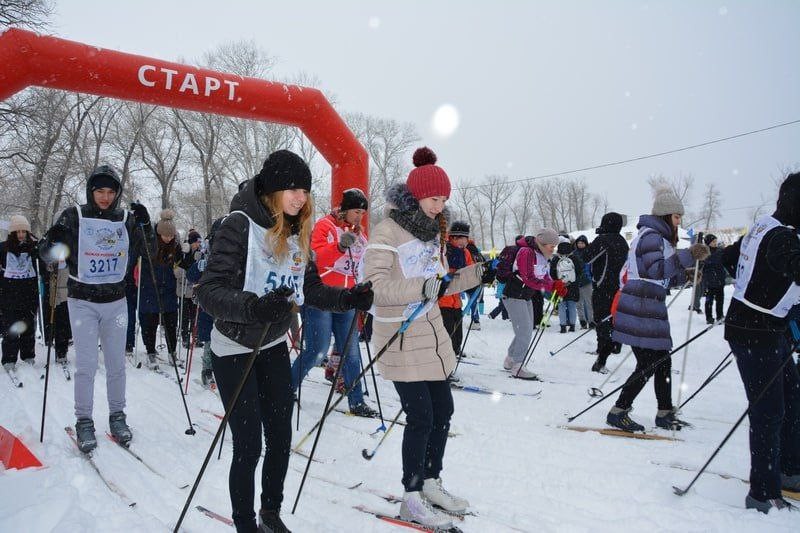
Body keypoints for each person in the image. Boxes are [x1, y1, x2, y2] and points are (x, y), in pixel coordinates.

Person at [196, 149, 373, 533]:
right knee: (248, 444)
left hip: (272, 346)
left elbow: (307, 289)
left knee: (280, 437)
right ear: (272, 189)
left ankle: (270, 514)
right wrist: (255, 307)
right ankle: (244, 523)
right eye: (291, 189)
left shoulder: (296, 231)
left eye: (305, 190)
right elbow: (208, 291)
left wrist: (347, 298)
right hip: (234, 347)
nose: (300, 197)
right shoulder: (238, 225)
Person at [362, 147, 483, 529]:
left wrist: (480, 273)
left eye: (444, 198)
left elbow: (440, 282)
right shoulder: (387, 231)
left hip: (431, 334)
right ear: (415, 196)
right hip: (399, 333)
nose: (440, 205)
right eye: (434, 198)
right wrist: (423, 286)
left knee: (443, 411)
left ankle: (431, 481)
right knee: (421, 416)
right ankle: (411, 496)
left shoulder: (433, 233)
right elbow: (375, 286)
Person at [39, 165, 151, 452]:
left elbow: (146, 250)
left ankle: (117, 416)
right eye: (99, 191)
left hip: (116, 301)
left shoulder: (124, 218)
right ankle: (84, 420)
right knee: (86, 365)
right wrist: (53, 241)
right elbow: (47, 253)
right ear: (91, 191)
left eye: (111, 192)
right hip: (83, 302)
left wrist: (145, 225)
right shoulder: (75, 215)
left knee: (116, 365)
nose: (105, 197)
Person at [722, 172, 800, 514]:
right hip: (754, 332)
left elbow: (728, 258)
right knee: (769, 410)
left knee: (792, 401)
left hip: (769, 329)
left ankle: (789, 470)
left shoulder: (765, 226)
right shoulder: (782, 237)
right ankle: (762, 492)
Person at [606, 188, 709, 432]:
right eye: (675, 217)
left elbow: (659, 275)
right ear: (664, 216)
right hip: (641, 304)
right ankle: (618, 410)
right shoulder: (652, 235)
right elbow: (655, 271)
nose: (678, 221)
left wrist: (685, 275)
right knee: (650, 361)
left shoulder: (656, 237)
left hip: (648, 302)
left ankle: (664, 411)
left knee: (661, 359)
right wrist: (687, 256)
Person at [290, 187, 377, 417]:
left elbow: (362, 264)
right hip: (322, 296)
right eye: (356, 212)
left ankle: (356, 401)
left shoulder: (360, 234)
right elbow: (317, 260)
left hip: (347, 298)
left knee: (351, 351)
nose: (359, 217)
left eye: (362, 213)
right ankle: (286, 389)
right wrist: (339, 246)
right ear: (345, 209)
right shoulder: (325, 226)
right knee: (317, 352)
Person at [499, 231, 567, 379]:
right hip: (513, 295)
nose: (553, 249)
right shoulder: (526, 252)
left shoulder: (542, 255)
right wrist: (551, 286)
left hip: (525, 296)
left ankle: (510, 359)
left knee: (526, 329)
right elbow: (528, 278)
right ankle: (518, 365)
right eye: (551, 246)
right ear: (542, 243)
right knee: (524, 331)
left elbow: (545, 276)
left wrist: (556, 285)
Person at [138, 210, 193, 370]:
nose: (168, 238)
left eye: (171, 236)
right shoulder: (150, 245)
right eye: (165, 235)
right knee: (150, 323)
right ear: (159, 233)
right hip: (150, 288)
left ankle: (172, 353)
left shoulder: (175, 246)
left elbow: (184, 265)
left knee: (170, 323)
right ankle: (150, 353)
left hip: (168, 289)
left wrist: (187, 253)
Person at [587, 212, 629, 373]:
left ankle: (601, 356)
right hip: (619, 288)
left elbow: (587, 258)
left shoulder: (603, 240)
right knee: (614, 319)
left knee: (602, 320)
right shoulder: (622, 241)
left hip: (602, 287)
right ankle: (615, 346)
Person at [1, 215, 41, 370]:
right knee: (11, 328)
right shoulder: (3, 248)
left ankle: (28, 356)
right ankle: (9, 359)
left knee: (28, 327)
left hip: (29, 294)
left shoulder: (34, 247)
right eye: (17, 231)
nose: (20, 234)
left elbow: (44, 262)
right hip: (9, 295)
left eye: (23, 231)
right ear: (12, 232)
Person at [438, 220, 474, 358]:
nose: (465, 243)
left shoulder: (465, 253)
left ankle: (456, 348)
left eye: (466, 239)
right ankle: (446, 354)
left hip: (456, 300)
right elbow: (440, 271)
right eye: (462, 239)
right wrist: (450, 275)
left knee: (458, 328)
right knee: (446, 329)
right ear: (453, 238)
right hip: (443, 300)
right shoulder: (444, 250)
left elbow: (470, 270)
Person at [550, 239, 585, 334]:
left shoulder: (556, 259)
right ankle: (572, 326)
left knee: (561, 305)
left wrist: (559, 281)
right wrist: (572, 280)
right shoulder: (574, 258)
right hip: (572, 285)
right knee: (572, 305)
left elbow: (552, 273)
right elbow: (579, 271)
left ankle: (563, 326)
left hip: (560, 285)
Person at [43, 258, 72, 364]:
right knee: (60, 321)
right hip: (56, 290)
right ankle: (60, 351)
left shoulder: (72, 247)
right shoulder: (50, 247)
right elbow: (45, 268)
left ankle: (63, 351)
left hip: (70, 289)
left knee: (66, 322)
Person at [179, 229, 202, 348]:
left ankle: (195, 336)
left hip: (194, 288)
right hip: (184, 288)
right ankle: (184, 337)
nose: (198, 244)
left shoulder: (199, 253)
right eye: (197, 242)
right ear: (192, 242)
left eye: (199, 242)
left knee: (194, 314)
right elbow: (182, 266)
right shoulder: (185, 252)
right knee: (184, 315)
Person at [701, 233, 726, 325]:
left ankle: (720, 316)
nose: (715, 243)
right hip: (709, 281)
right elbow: (702, 265)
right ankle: (709, 317)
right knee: (709, 301)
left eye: (716, 241)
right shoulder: (704, 252)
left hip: (720, 280)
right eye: (713, 241)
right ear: (708, 243)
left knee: (720, 300)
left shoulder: (720, 251)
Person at [572, 235, 594, 329]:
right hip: (576, 282)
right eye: (579, 243)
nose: (580, 245)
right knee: (578, 303)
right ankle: (582, 321)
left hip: (587, 281)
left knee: (589, 303)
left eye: (582, 243)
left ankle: (591, 321)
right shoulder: (573, 254)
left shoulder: (589, 253)